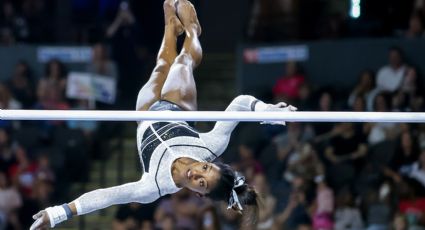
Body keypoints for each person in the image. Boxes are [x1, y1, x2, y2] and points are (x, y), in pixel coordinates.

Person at [29, 0, 296, 229]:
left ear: (199, 194)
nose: (196, 172)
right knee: (182, 63)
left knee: (160, 65)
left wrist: (57, 213)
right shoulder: (211, 147)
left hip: (144, 115)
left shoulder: (154, 187)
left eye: (201, 183)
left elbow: (108, 196)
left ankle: (171, 23)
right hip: (177, 107)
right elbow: (240, 103)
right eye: (205, 169)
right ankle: (192, 31)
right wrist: (266, 110)